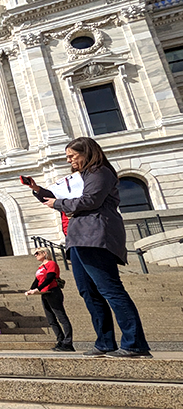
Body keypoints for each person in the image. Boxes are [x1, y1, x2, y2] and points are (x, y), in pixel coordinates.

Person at [41, 137, 150, 358]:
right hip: (79, 238)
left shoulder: (100, 172)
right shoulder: (85, 176)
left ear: (87, 152)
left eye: (72, 156)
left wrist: (59, 204)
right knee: (88, 292)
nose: (69, 160)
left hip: (96, 235)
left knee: (110, 289)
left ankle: (134, 343)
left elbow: (90, 201)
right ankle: (105, 342)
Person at [26, 247, 73, 351]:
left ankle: (68, 342)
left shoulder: (51, 264)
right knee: (51, 320)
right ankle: (60, 341)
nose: (35, 255)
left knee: (61, 317)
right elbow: (37, 280)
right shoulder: (40, 267)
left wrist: (38, 289)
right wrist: (31, 289)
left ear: (45, 253)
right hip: (44, 293)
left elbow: (50, 277)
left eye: (37, 253)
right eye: (35, 254)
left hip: (53, 291)